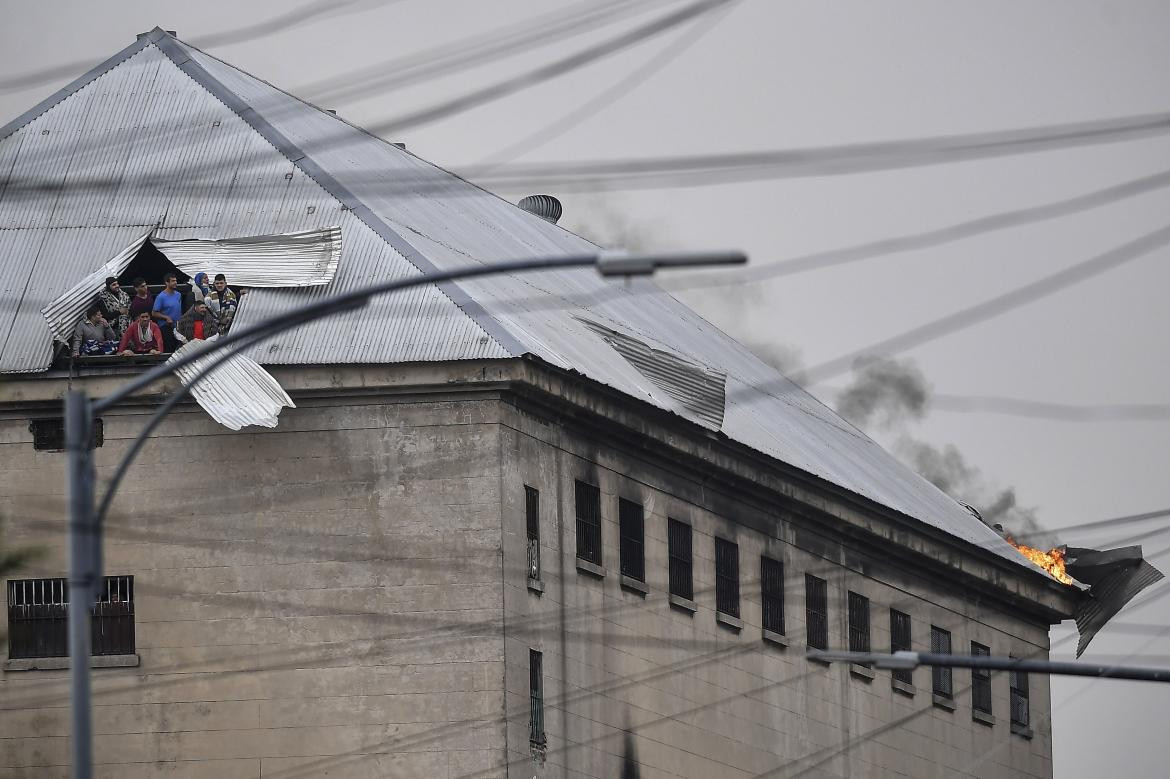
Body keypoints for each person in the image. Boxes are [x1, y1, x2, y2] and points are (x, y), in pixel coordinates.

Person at [152, 273, 183, 352]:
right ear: (167, 283)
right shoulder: (161, 297)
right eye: (173, 281)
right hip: (166, 327)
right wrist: (166, 317)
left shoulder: (178, 295)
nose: (175, 282)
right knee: (169, 349)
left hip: (177, 327)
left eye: (176, 281)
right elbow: (154, 313)